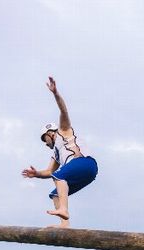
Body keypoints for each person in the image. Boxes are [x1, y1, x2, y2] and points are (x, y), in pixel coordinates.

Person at [22, 77, 98, 228]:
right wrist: (36, 173)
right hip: (86, 174)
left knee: (59, 175)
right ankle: (65, 224)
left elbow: (63, 110)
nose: (46, 144)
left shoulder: (63, 130)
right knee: (55, 193)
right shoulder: (56, 152)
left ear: (50, 133)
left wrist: (55, 93)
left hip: (85, 163)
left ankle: (64, 209)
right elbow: (50, 171)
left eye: (45, 140)